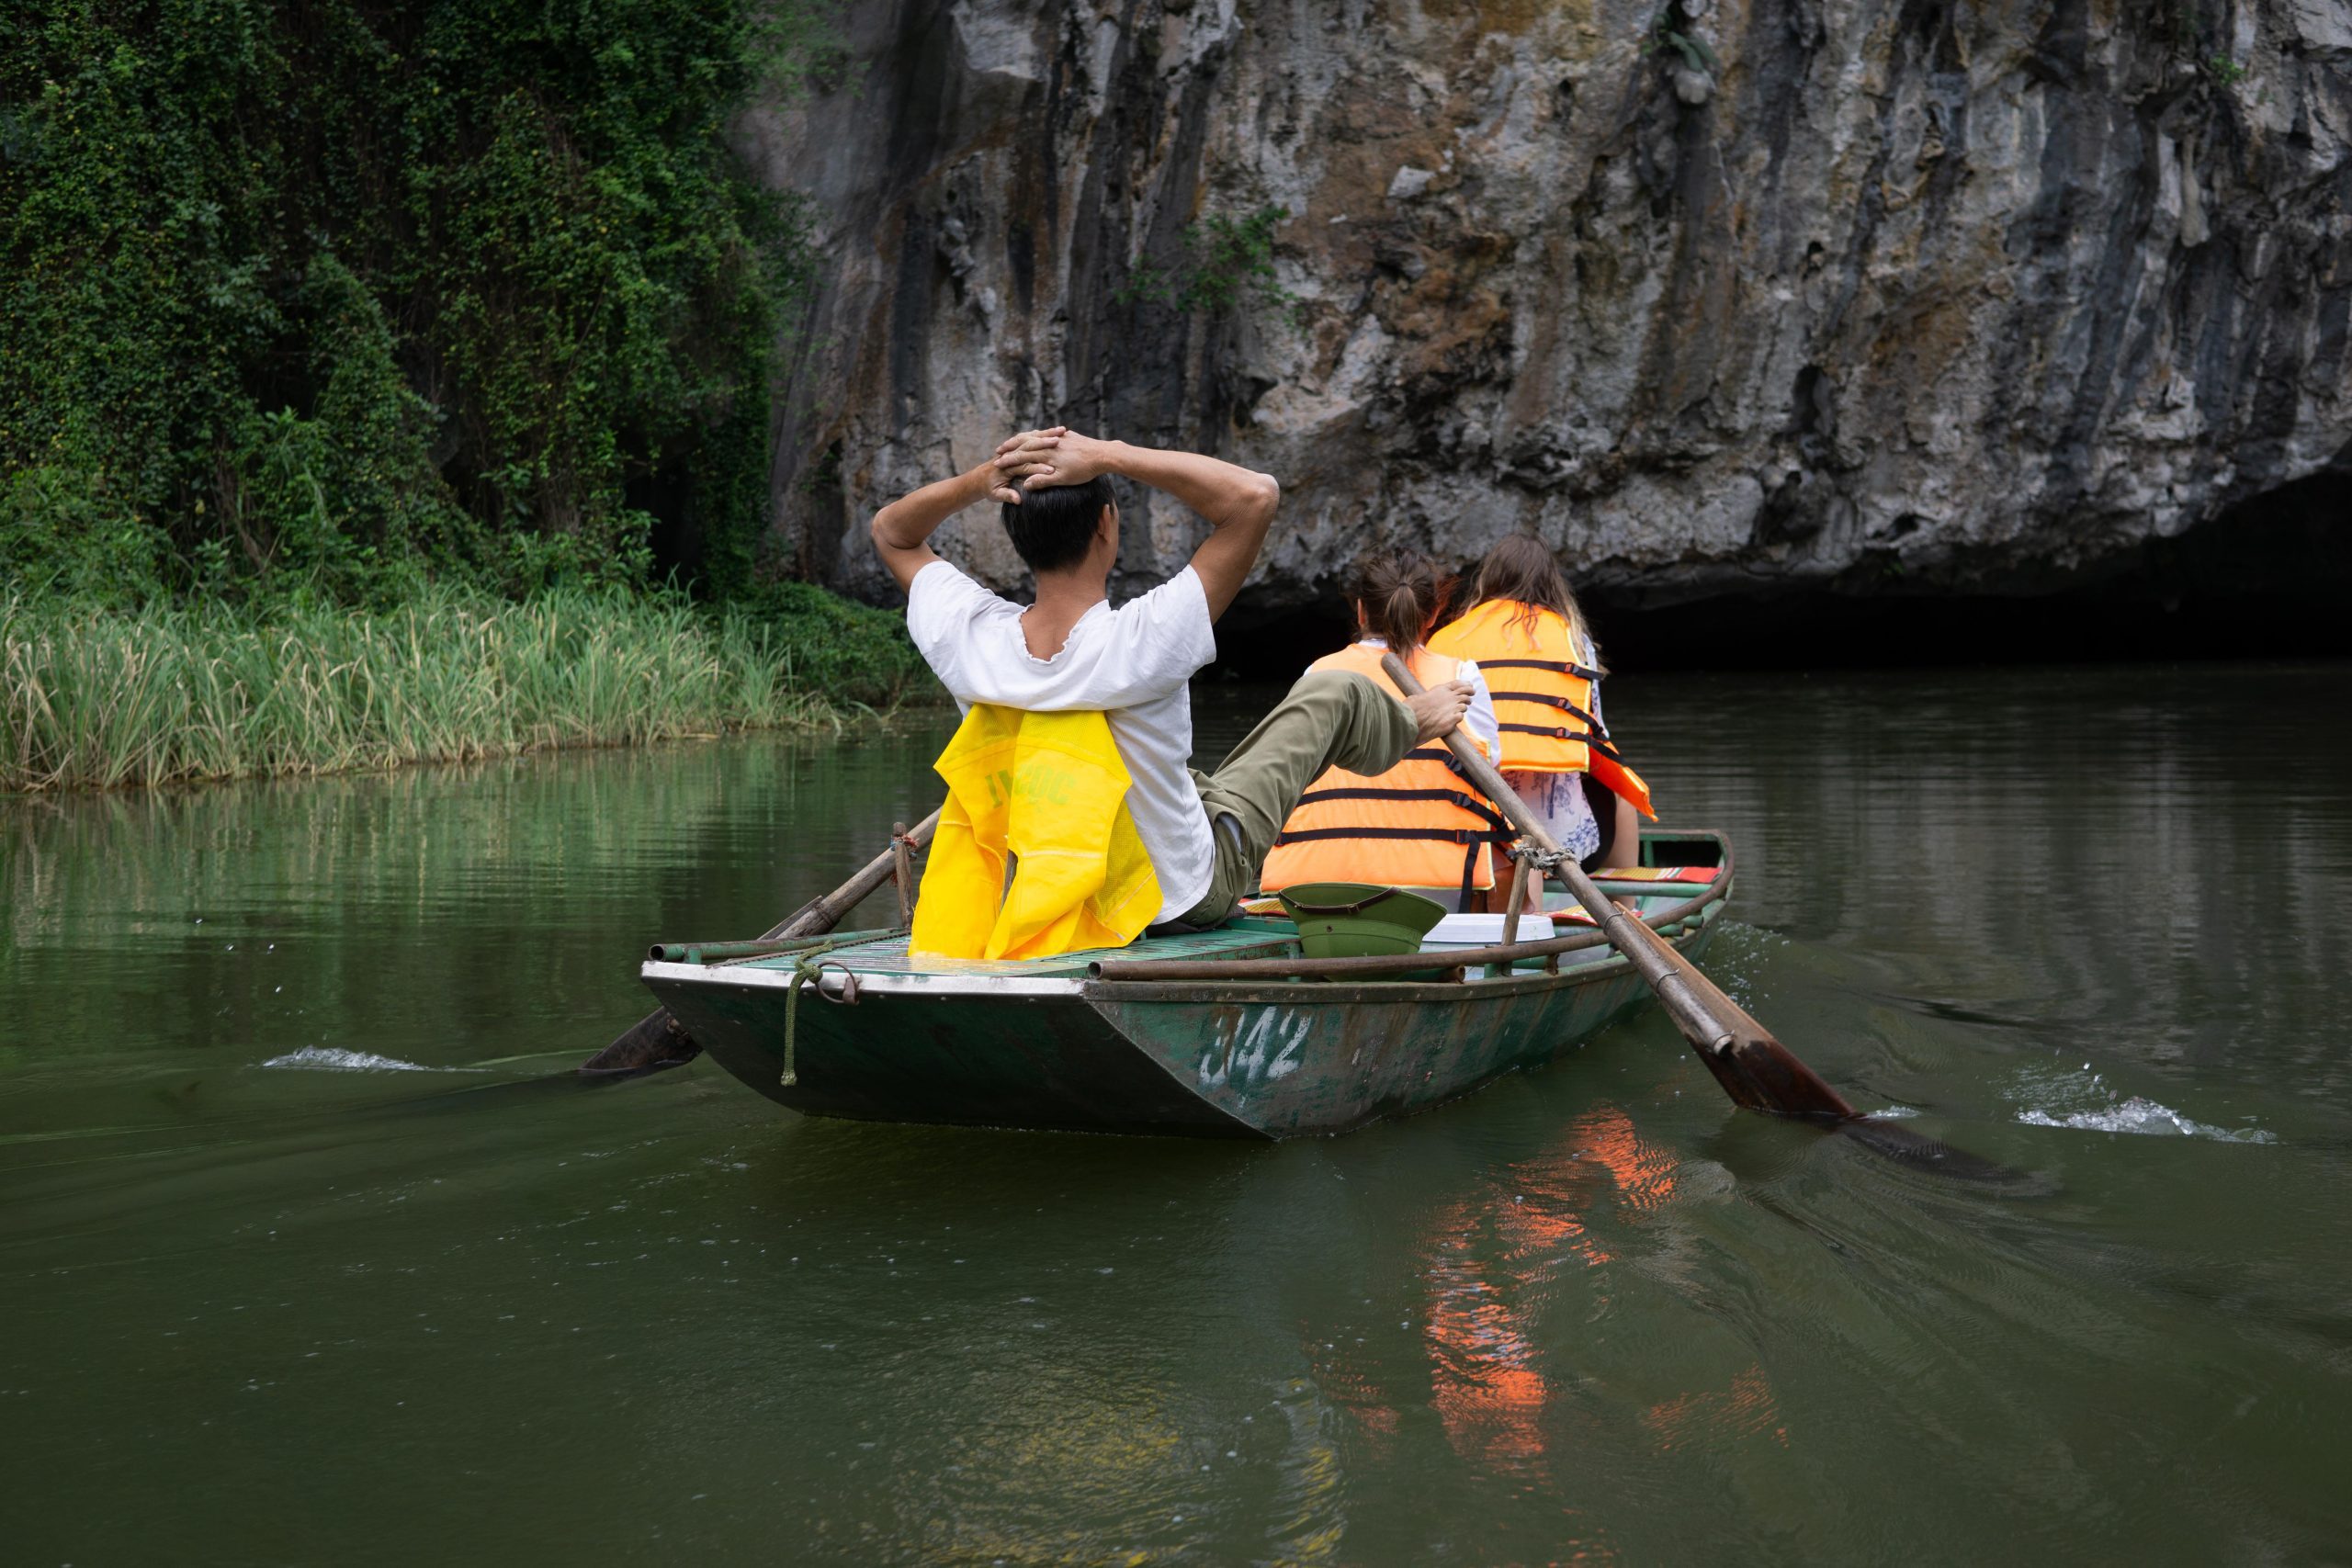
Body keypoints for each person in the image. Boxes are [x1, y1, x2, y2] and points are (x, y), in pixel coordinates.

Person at [869, 427, 1476, 936]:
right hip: (1177, 902)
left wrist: (982, 478)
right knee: (1335, 692)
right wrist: (1107, 453)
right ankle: (1413, 720)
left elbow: (892, 531)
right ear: (1108, 524)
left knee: (1187, 781)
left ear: (1016, 535)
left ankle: (1203, 797)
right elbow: (1254, 495)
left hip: (1054, 899)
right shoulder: (1145, 637)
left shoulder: (971, 642)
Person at [1257, 553, 1504, 908]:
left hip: (1319, 878)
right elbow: (1490, 766)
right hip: (1436, 884)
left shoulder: (1317, 674)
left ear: (1360, 611)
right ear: (1434, 615)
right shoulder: (1461, 675)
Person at [1428, 536, 1654, 894]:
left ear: (1488, 580)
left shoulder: (1444, 640)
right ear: (1551, 583)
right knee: (1621, 790)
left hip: (1472, 834)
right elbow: (1595, 734)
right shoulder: (1572, 640)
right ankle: (1627, 911)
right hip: (1566, 847)